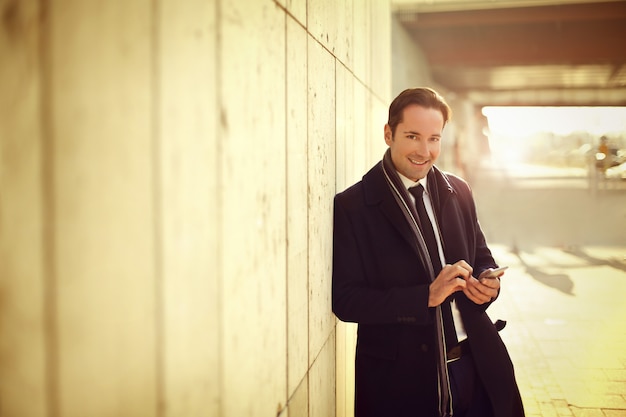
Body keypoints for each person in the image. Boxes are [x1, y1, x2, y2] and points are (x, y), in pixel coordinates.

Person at [332, 87, 525, 417]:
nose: (425, 151)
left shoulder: (458, 189)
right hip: (403, 382)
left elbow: (481, 257)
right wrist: (425, 295)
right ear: (388, 134)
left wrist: (487, 285)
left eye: (434, 138)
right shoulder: (353, 206)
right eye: (413, 136)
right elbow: (346, 301)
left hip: (476, 365)